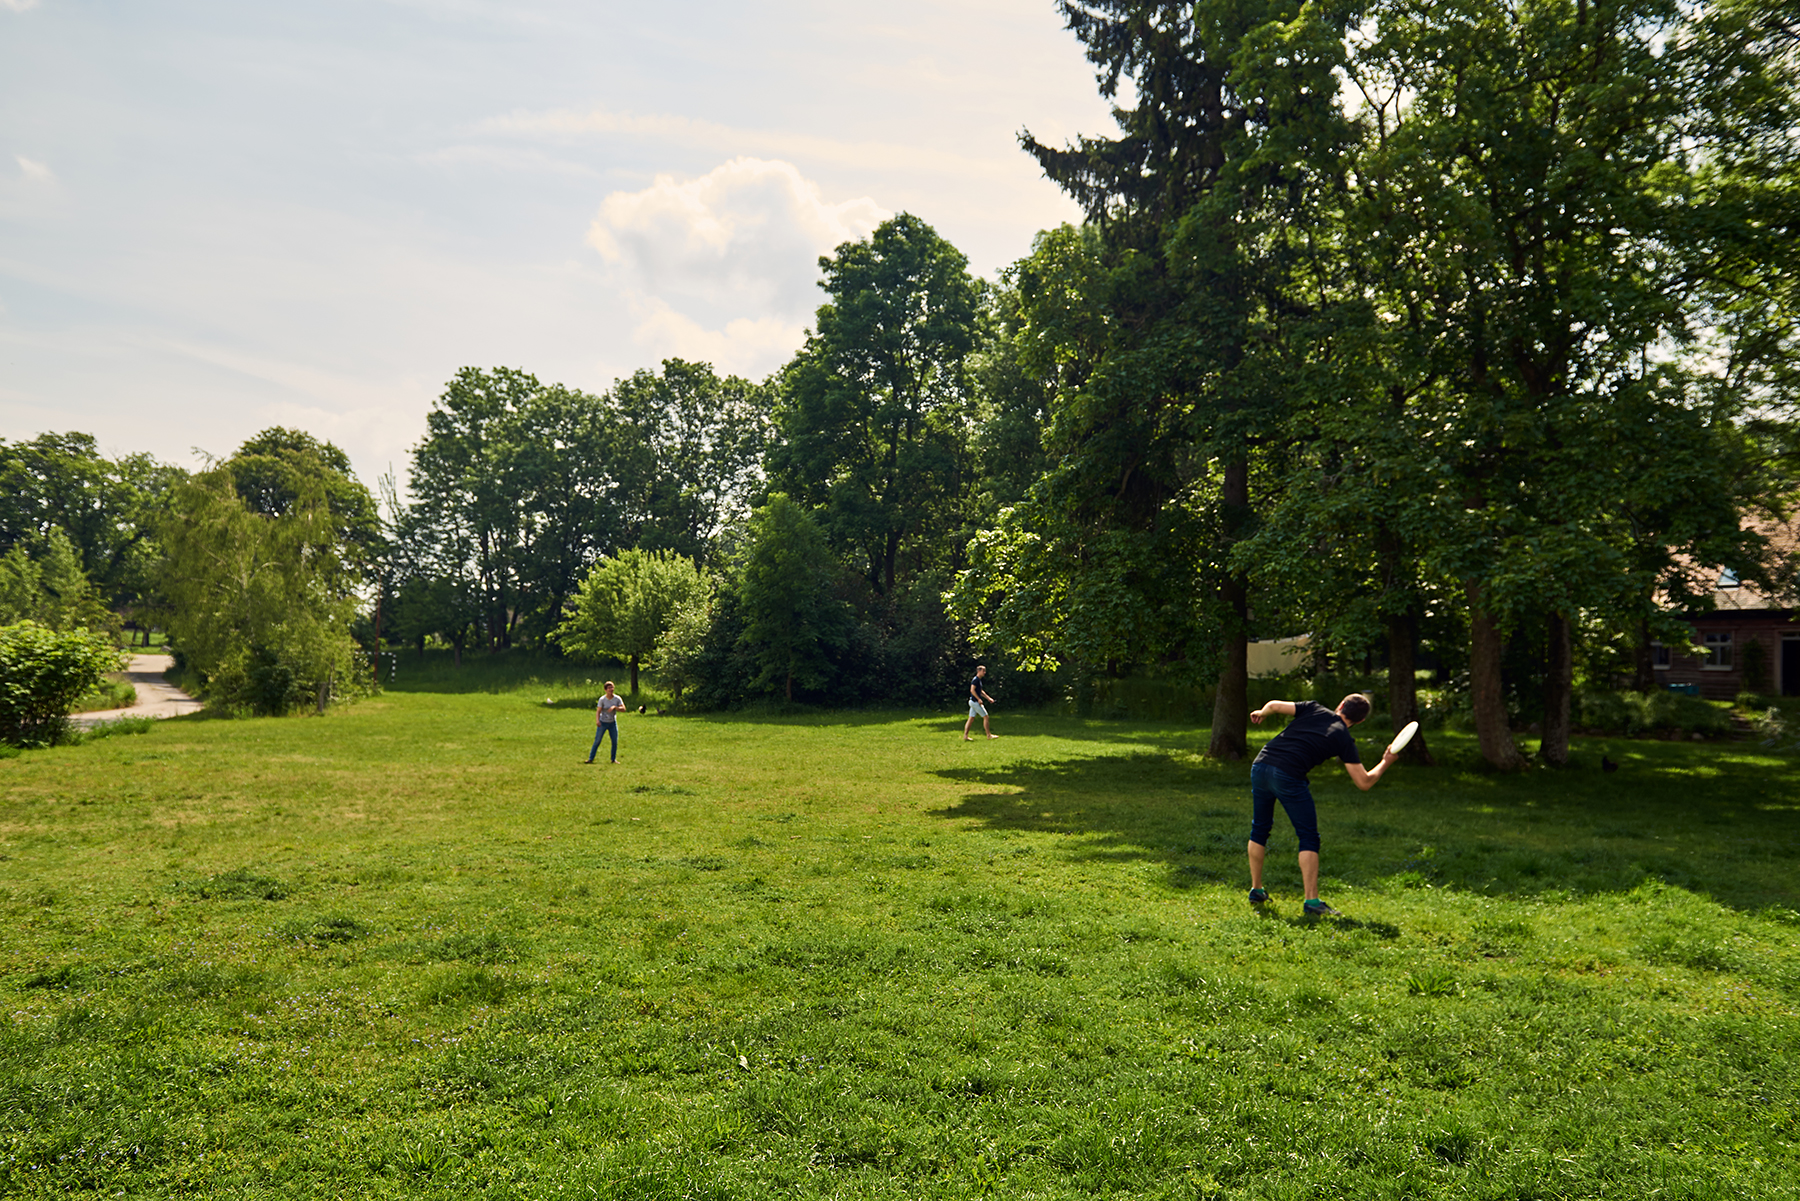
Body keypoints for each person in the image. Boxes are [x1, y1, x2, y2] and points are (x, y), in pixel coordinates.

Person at [1245, 693, 1396, 915]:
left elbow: (1274, 705)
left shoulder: (1313, 708)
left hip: (1261, 764)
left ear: (1341, 705)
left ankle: (1256, 890)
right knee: (1308, 837)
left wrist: (1262, 713)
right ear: (1360, 721)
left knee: (1260, 827)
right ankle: (1312, 903)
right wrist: (1385, 761)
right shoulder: (1343, 737)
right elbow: (1364, 782)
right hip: (1287, 775)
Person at [586, 681, 626, 764]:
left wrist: (615, 707)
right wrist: (597, 720)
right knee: (597, 740)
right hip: (603, 722)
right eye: (609, 688)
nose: (611, 689)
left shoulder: (617, 698)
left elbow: (624, 709)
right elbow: (598, 711)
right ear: (605, 690)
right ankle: (590, 758)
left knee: (614, 741)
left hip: (612, 723)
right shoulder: (602, 699)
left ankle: (613, 759)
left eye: (612, 687)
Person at [964, 665, 998, 741]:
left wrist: (988, 698)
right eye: (983, 671)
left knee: (971, 719)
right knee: (986, 717)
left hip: (973, 702)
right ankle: (989, 735)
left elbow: (981, 691)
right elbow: (972, 690)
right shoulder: (975, 680)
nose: (985, 672)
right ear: (978, 671)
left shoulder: (978, 680)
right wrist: (979, 699)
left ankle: (965, 736)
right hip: (974, 702)